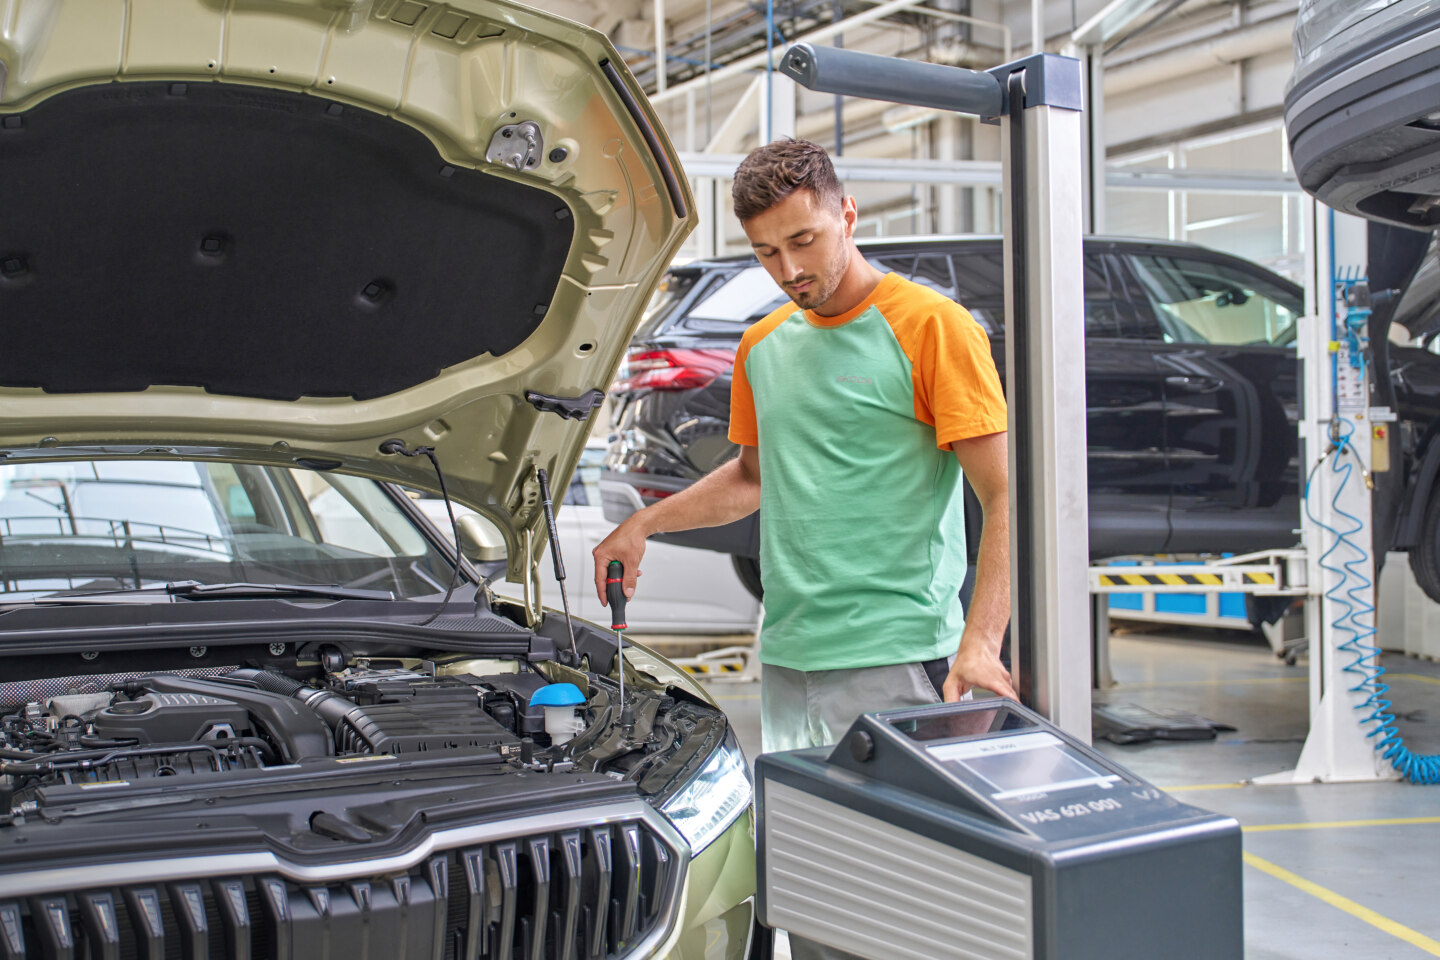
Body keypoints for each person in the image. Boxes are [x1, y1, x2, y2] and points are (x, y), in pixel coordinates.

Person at [593, 137, 1014, 757]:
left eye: (802, 241)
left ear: (847, 214)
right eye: (766, 251)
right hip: (789, 657)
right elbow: (751, 478)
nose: (788, 270)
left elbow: (1003, 494)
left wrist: (982, 641)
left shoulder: (932, 327)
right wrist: (643, 524)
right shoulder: (761, 346)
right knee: (803, 848)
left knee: (898, 853)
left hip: (899, 654)